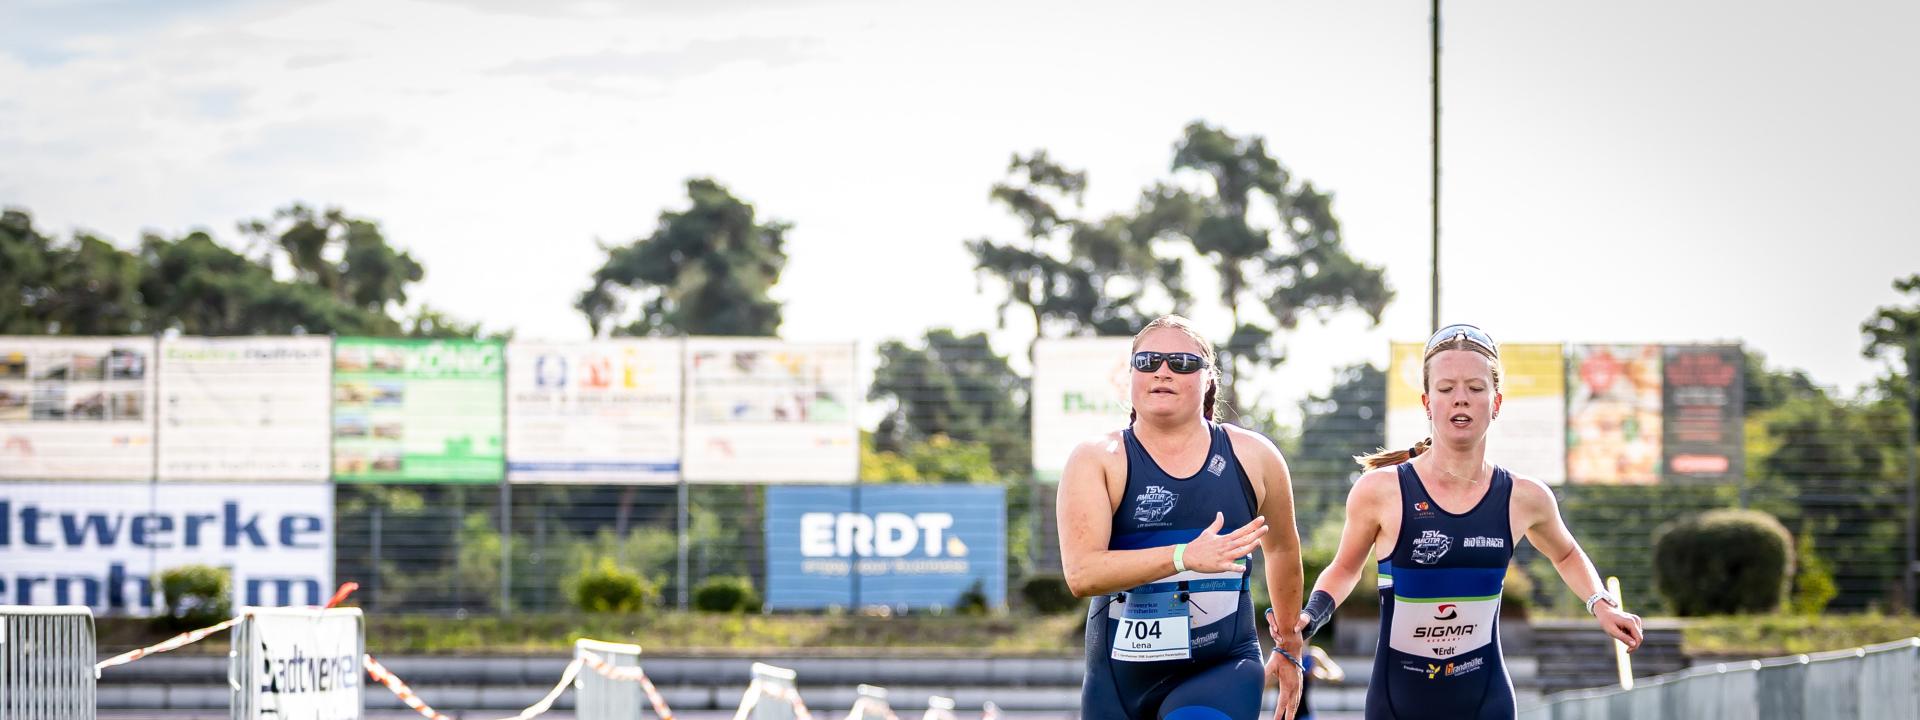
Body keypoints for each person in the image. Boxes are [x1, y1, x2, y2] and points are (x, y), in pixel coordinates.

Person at [1291, 324, 1645, 719]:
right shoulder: (1381, 491)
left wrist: (1602, 605)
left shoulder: (1525, 497)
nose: (1461, 398)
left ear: (1496, 403)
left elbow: (1565, 554)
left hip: (1485, 703)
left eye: (1476, 388)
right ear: (1427, 403)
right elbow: (1345, 568)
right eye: (1446, 389)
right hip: (1398, 705)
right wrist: (1311, 616)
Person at [1058, 314, 1308, 720]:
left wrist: (1289, 644)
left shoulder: (1254, 456)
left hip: (1221, 669)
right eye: (1147, 361)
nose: (1163, 371)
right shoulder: (1098, 458)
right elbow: (1082, 574)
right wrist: (1183, 556)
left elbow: (1281, 549)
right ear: (1131, 375)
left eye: (1182, 363)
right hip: (1118, 683)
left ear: (1208, 378)